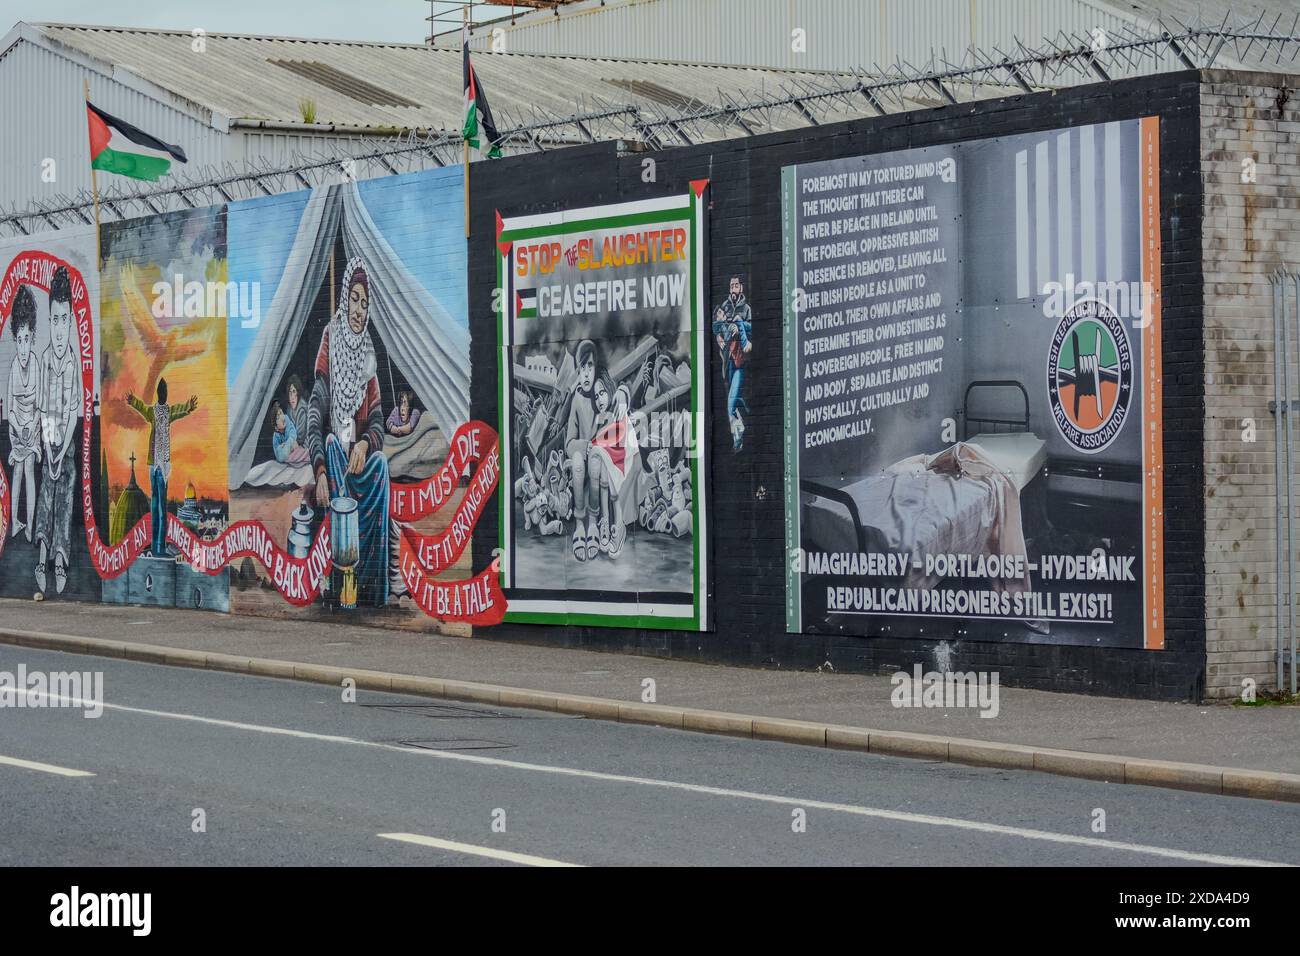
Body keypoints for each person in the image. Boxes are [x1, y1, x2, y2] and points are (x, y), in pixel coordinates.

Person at [306, 256, 390, 607]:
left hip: (356, 464)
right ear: (344, 299)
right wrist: (320, 470)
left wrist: (367, 445)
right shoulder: (331, 339)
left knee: (382, 466)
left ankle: (370, 589)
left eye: (364, 302)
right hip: (334, 463)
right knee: (329, 440)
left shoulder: (367, 352)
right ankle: (341, 583)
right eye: (354, 299)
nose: (359, 309)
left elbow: (378, 421)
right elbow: (315, 414)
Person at [126, 377, 199, 558]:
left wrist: (189, 406)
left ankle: (160, 547)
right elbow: (142, 408)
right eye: (162, 391)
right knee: (155, 507)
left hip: (164, 467)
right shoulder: (153, 412)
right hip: (154, 466)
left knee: (161, 509)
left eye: (165, 391)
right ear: (160, 393)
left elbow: (181, 410)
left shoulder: (168, 411)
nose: (164, 394)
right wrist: (132, 401)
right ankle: (156, 547)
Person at [6, 284, 40, 543]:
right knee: (17, 470)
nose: (23, 347)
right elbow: (9, 409)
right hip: (17, 427)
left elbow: (39, 408)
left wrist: (32, 428)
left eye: (27, 339)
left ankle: (29, 525)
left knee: (28, 467)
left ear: (33, 337)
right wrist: (19, 429)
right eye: (19, 340)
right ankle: (14, 523)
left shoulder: (36, 365)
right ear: (15, 339)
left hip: (33, 427)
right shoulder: (13, 369)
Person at [565, 339, 599, 562]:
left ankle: (594, 523)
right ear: (578, 371)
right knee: (577, 461)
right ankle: (579, 524)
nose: (586, 373)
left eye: (590, 367)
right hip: (581, 463)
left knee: (595, 461)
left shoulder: (603, 395)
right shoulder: (577, 400)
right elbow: (569, 443)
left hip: (600, 465)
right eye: (582, 368)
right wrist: (585, 447)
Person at [714, 275, 753, 450]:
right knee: (734, 399)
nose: (733, 288)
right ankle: (740, 427)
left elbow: (752, 328)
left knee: (731, 402)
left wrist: (740, 326)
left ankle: (738, 437)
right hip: (728, 361)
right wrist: (719, 339)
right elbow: (717, 325)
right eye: (731, 285)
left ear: (741, 288)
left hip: (740, 361)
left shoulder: (746, 308)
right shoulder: (724, 306)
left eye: (736, 285)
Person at [270, 400, 308, 465]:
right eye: (278, 417)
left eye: (281, 413)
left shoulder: (288, 423)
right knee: (282, 454)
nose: (282, 417)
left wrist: (287, 444)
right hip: (285, 453)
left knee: (294, 444)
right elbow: (277, 452)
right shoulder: (276, 436)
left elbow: (293, 435)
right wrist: (281, 447)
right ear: (276, 427)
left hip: (292, 447)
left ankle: (300, 456)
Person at [285, 374, 308, 440]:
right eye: (290, 392)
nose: (292, 396)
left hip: (304, 445)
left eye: (294, 391)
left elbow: (300, 437)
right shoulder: (289, 409)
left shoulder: (302, 409)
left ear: (298, 392)